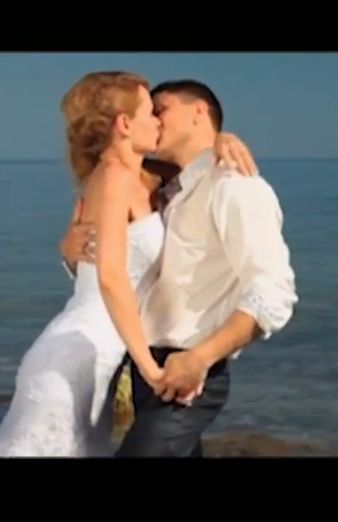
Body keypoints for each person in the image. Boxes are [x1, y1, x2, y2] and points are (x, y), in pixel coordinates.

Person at [0, 71, 256, 457]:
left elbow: (194, 164)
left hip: (103, 357)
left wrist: (222, 140)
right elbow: (110, 278)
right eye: (150, 112)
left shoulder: (142, 177)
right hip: (77, 354)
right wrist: (150, 369)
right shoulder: (113, 177)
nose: (158, 122)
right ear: (125, 124)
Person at [59, 79, 298, 457]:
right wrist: (72, 254)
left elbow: (273, 293)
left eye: (162, 110)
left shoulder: (235, 187)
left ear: (198, 111)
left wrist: (200, 358)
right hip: (142, 368)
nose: (154, 120)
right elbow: (133, 271)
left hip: (190, 373)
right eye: (149, 113)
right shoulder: (157, 186)